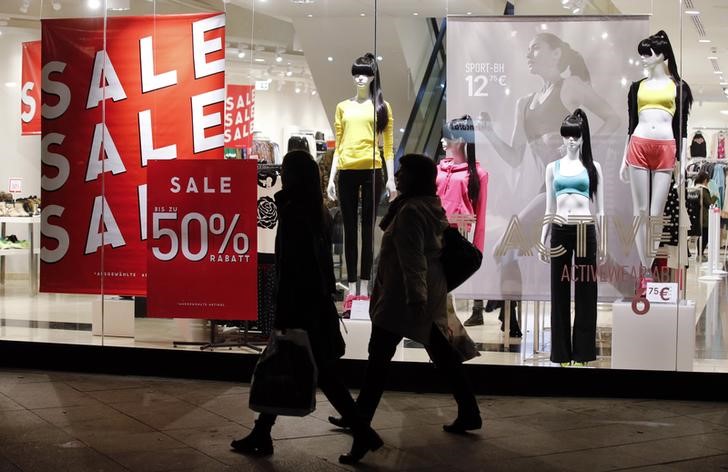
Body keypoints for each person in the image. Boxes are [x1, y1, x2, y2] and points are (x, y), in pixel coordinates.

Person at [231, 151, 381, 461]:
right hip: (313, 304)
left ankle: (363, 434)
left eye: (285, 170)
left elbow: (294, 266)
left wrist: (282, 309)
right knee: (296, 368)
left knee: (308, 371)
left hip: (300, 305)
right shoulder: (315, 210)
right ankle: (262, 432)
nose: (281, 174)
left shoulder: (294, 211)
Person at [330, 154, 482, 450]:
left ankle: (361, 423)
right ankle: (469, 411)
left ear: (416, 178)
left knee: (381, 357)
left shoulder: (411, 211)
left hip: (406, 297)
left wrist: (416, 301)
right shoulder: (426, 204)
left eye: (404, 171)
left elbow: (414, 262)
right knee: (438, 355)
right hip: (419, 294)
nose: (398, 175)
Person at [619, 30, 692, 273]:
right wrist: (623, 158)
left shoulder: (678, 87)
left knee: (656, 212)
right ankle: (645, 269)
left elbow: (681, 128)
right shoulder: (636, 87)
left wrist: (682, 161)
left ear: (661, 56)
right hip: (638, 145)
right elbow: (631, 124)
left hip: (666, 149)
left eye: (647, 54)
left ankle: (648, 264)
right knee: (640, 210)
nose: (643, 59)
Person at [326, 53, 397, 303]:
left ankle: (365, 288)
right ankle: (352, 285)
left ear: (373, 76)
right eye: (356, 73)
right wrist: (331, 177)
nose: (359, 78)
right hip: (346, 171)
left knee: (367, 229)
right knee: (349, 231)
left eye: (364, 73)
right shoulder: (342, 107)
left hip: (372, 171)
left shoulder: (381, 108)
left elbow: (387, 146)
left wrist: (391, 179)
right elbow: (340, 143)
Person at [540, 109, 604, 367]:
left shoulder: (593, 167)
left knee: (587, 292)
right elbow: (549, 207)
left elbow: (600, 209)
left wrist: (604, 242)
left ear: (582, 138)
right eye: (567, 135)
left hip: (585, 229)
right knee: (559, 291)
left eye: (575, 136)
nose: (571, 140)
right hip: (560, 229)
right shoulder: (552, 168)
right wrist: (541, 239)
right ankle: (562, 354)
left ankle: (583, 354)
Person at [694, 171, 717, 260]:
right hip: (704, 218)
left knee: (701, 236)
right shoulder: (703, 190)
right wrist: (715, 196)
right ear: (705, 180)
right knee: (705, 236)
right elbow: (710, 203)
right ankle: (700, 254)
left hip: (698, 217)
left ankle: (700, 254)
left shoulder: (695, 189)